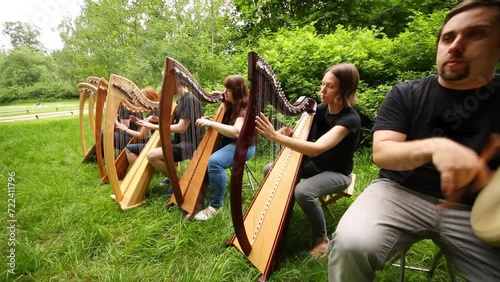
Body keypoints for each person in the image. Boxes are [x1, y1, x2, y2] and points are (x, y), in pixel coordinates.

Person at [328, 1, 500, 281]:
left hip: (477, 207)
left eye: (475, 34)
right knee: (351, 243)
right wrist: (435, 147)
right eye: (448, 37)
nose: (455, 46)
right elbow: (383, 152)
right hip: (399, 191)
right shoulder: (407, 94)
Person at [255, 63, 361, 256]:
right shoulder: (320, 110)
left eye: (330, 86)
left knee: (303, 191)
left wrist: (276, 137)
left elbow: (316, 149)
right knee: (269, 169)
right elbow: (304, 138)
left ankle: (322, 238)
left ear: (344, 90)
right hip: (315, 165)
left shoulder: (349, 119)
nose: (322, 89)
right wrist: (288, 133)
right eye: (323, 84)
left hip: (336, 172)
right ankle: (278, 214)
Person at [192, 74, 256, 221]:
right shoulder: (229, 104)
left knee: (215, 161)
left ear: (237, 91)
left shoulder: (244, 107)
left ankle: (216, 205)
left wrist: (212, 124)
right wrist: (212, 120)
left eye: (228, 89)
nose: (224, 92)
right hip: (229, 143)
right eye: (225, 88)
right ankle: (202, 189)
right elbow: (225, 125)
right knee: (200, 153)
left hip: (244, 147)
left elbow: (236, 131)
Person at [145, 82, 204, 186]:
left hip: (190, 144)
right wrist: (157, 120)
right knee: (156, 146)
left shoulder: (189, 100)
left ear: (176, 82)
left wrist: (153, 127)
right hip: (180, 141)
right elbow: (177, 122)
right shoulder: (180, 99)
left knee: (151, 156)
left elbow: (181, 128)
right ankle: (171, 176)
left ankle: (177, 183)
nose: (165, 86)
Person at [114, 88, 161, 165]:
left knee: (128, 149)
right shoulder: (159, 110)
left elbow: (141, 135)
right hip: (160, 140)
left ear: (148, 100)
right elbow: (150, 126)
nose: (141, 104)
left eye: (142, 102)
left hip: (159, 144)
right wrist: (138, 121)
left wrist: (125, 129)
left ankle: (138, 170)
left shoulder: (152, 115)